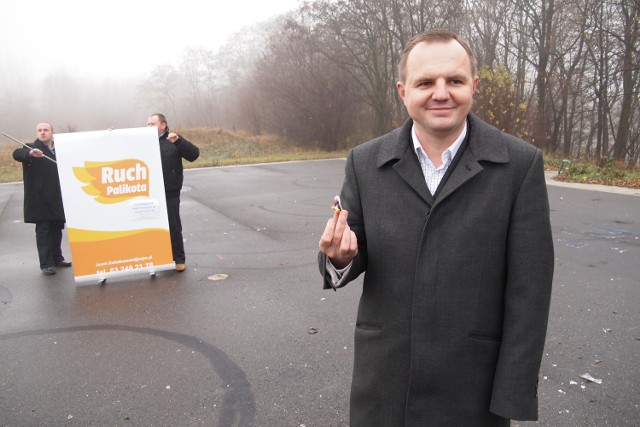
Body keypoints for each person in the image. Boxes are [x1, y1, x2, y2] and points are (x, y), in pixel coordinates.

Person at [318, 29, 554, 426]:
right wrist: (340, 258)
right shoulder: (364, 162)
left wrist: (513, 393)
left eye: (455, 81)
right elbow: (349, 245)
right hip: (383, 384)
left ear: (474, 86)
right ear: (403, 90)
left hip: (471, 390)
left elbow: (530, 290)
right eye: (425, 82)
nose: (440, 93)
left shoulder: (519, 165)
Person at [13, 122, 71, 275]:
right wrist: (30, 154)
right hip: (40, 199)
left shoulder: (60, 148)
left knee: (57, 229)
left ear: (52, 131)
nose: (42, 132)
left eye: (46, 130)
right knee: (43, 231)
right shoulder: (30, 148)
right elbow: (17, 153)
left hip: (57, 197)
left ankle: (57, 258)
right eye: (40, 130)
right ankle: (45, 264)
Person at [146, 113, 200, 272]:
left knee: (173, 226)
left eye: (152, 124)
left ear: (163, 125)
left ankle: (178, 259)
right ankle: (158, 258)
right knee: (152, 228)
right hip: (150, 192)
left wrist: (179, 142)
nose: (148, 127)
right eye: (147, 124)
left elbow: (194, 155)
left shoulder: (173, 139)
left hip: (170, 190)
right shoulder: (142, 142)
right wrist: (112, 136)